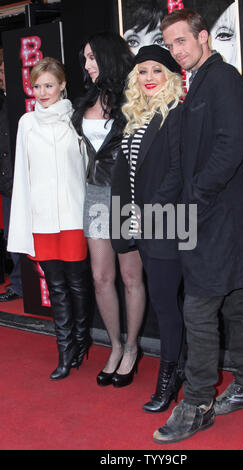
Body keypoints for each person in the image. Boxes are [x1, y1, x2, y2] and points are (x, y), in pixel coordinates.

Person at [151, 8, 243, 443]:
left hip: (219, 215)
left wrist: (194, 198)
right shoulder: (197, 85)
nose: (176, 51)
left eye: (181, 41)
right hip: (211, 215)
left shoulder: (224, 81)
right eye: (170, 44)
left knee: (199, 307)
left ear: (204, 37)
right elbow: (187, 157)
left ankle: (198, 401)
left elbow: (230, 147)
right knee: (237, 298)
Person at [111, 45, 185, 411]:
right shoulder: (134, 115)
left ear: (170, 75)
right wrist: (123, 222)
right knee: (162, 301)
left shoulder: (176, 111)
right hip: (140, 221)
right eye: (143, 71)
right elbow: (123, 177)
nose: (150, 78)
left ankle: (169, 380)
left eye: (157, 70)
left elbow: (178, 172)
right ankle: (176, 369)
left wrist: (148, 213)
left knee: (167, 304)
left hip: (169, 221)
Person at [7, 57, 91, 381]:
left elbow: (87, 170)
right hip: (42, 218)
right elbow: (22, 177)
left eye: (49, 85)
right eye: (37, 85)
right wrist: (24, 224)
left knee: (78, 285)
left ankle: (82, 342)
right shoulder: (26, 124)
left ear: (62, 85)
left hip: (73, 215)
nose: (42, 92)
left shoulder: (76, 119)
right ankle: (65, 351)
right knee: (56, 286)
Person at [72, 33, 146, 388]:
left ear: (108, 56)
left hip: (125, 197)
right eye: (85, 59)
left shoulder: (135, 96)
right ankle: (114, 346)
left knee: (131, 277)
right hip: (93, 195)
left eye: (91, 57)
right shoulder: (87, 98)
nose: (87, 65)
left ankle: (132, 348)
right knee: (101, 278)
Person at [0, 50, 23, 302]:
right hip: (6, 183)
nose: (3, 76)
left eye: (6, 71)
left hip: (25, 180)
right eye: (1, 72)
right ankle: (18, 285)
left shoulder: (26, 101)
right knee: (11, 236)